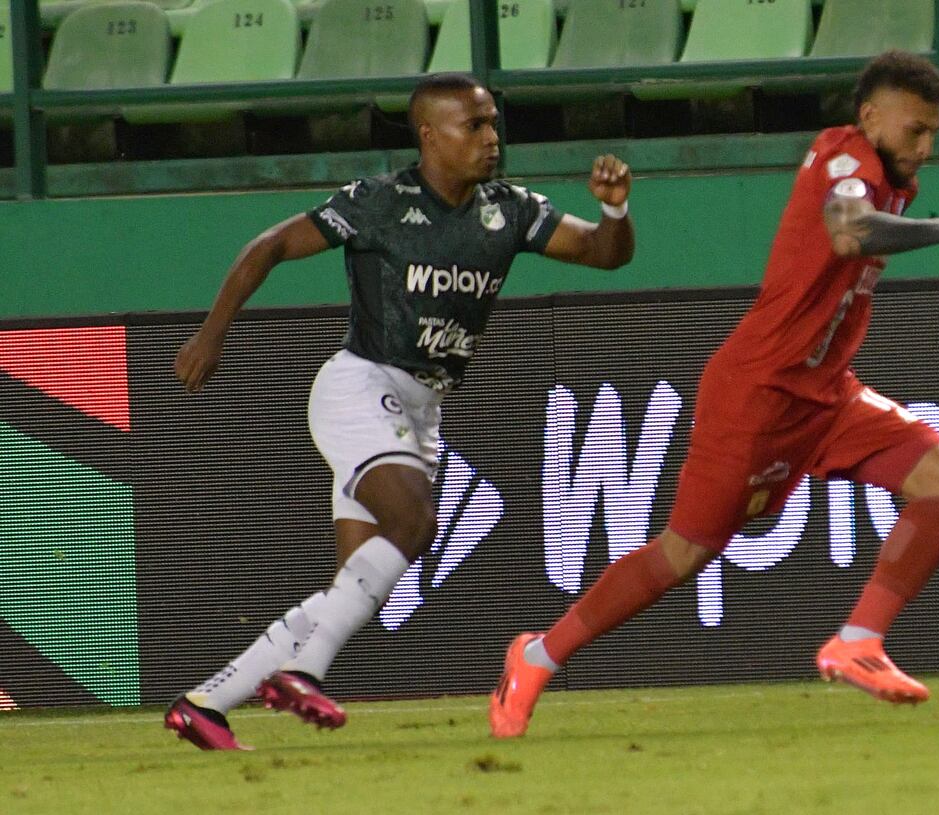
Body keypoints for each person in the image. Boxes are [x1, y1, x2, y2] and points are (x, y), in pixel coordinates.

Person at [490, 50, 939, 738]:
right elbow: (848, 229)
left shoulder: (895, 184)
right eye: (915, 131)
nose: (925, 147)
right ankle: (535, 655)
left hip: (828, 392)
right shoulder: (844, 156)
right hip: (760, 392)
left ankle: (859, 641)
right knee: (682, 554)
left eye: (932, 133)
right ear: (869, 118)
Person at [165, 73, 634, 750]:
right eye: (473, 126)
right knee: (413, 521)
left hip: (423, 406)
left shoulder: (508, 209)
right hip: (360, 385)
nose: (490, 138)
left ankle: (205, 704)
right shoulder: (380, 202)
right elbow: (268, 245)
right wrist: (212, 333)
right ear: (428, 136)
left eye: (492, 123)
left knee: (355, 588)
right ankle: (303, 670)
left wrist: (615, 211)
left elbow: (601, 253)